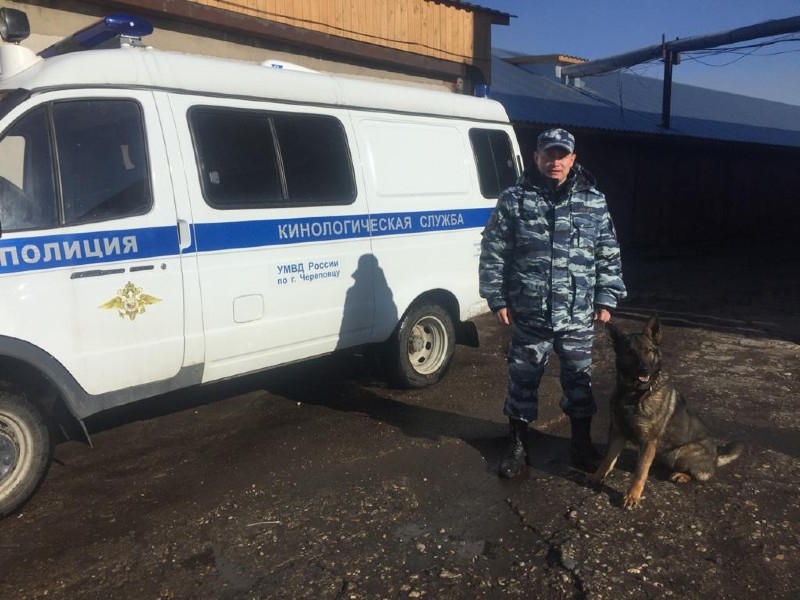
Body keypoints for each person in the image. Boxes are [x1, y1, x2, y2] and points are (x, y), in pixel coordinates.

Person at [479, 128, 627, 478]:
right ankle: (517, 447)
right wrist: (496, 296)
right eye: (548, 154)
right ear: (536, 157)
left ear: (573, 159)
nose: (555, 161)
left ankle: (581, 446)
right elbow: (494, 251)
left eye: (562, 155)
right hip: (530, 311)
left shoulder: (593, 201)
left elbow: (607, 251)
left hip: (577, 313)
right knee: (522, 380)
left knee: (579, 382)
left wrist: (607, 295)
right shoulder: (515, 199)